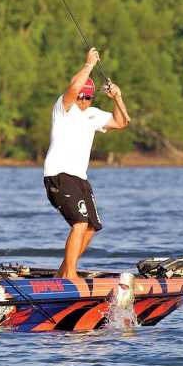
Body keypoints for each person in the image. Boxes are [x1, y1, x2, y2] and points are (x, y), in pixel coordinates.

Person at [43, 47, 130, 278]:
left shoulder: (93, 115)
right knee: (79, 224)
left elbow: (122, 122)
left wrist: (117, 98)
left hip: (80, 178)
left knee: (91, 227)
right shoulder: (64, 108)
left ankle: (62, 275)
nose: (82, 99)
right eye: (80, 95)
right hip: (59, 174)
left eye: (87, 97)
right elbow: (72, 88)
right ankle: (71, 276)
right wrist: (89, 65)